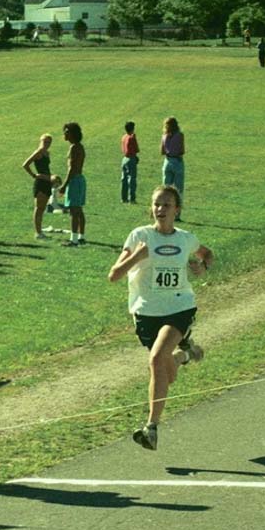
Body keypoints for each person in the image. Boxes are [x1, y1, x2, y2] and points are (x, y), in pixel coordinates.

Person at [107, 185, 214, 451]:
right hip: (146, 312)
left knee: (155, 359)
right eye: (156, 204)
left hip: (180, 307)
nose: (160, 210)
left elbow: (207, 254)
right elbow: (114, 275)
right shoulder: (139, 236)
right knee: (166, 373)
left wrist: (202, 267)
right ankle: (185, 355)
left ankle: (151, 428)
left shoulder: (186, 239)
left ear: (177, 210)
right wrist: (137, 257)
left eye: (166, 205)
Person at [22, 133, 55, 239]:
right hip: (40, 182)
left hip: (47, 182)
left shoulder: (47, 153)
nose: (46, 144)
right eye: (45, 141)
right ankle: (38, 232)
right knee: (38, 208)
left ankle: (40, 231)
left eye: (49, 142)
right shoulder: (38, 152)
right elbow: (25, 164)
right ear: (40, 141)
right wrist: (34, 175)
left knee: (42, 208)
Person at [60, 122, 87, 246]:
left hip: (74, 181)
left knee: (73, 211)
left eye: (66, 131)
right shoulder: (80, 146)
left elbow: (71, 168)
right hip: (80, 179)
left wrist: (64, 185)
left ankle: (73, 239)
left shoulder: (73, 148)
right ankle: (81, 236)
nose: (64, 133)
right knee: (79, 210)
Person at [160, 117, 185, 219]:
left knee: (166, 190)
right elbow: (182, 151)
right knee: (178, 190)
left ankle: (164, 213)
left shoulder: (164, 136)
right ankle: (177, 215)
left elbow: (161, 151)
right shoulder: (180, 135)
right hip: (177, 162)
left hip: (167, 161)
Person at [120, 121, 140, 204]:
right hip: (131, 159)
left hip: (124, 159)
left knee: (124, 179)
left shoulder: (124, 137)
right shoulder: (132, 138)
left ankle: (123, 198)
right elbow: (136, 149)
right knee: (132, 179)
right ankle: (132, 199)